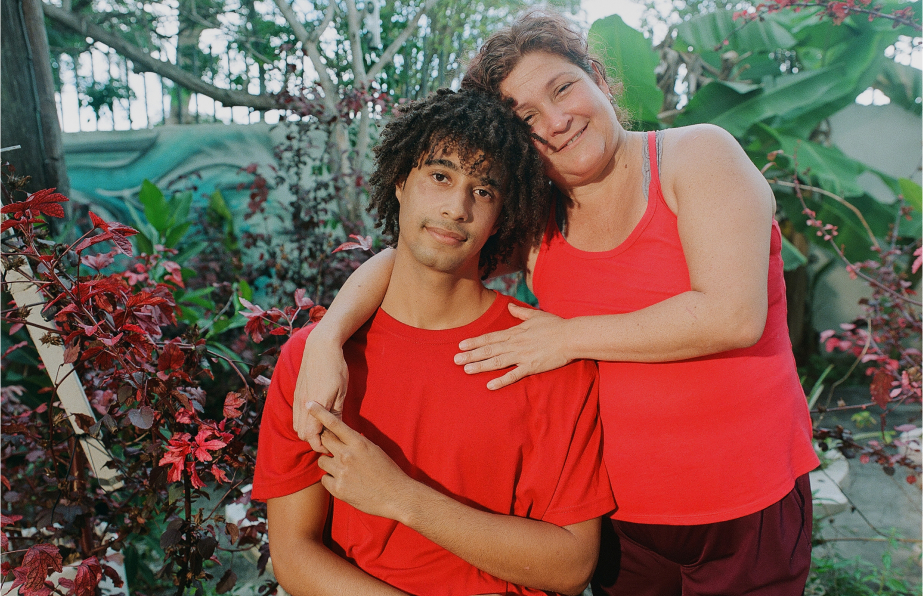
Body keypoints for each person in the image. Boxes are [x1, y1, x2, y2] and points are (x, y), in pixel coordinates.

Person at [289, 9, 821, 596]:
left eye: (563, 88)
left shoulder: (696, 157)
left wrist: (565, 336)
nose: (558, 121)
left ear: (596, 76)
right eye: (527, 117)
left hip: (745, 509)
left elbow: (732, 316)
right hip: (628, 525)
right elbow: (422, 253)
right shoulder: (540, 223)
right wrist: (327, 334)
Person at [252, 88, 615, 596]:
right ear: (401, 181)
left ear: (501, 213)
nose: (457, 208)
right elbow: (294, 555)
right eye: (440, 177)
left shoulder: (544, 354)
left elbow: (571, 566)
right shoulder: (317, 361)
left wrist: (402, 498)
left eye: (484, 190)